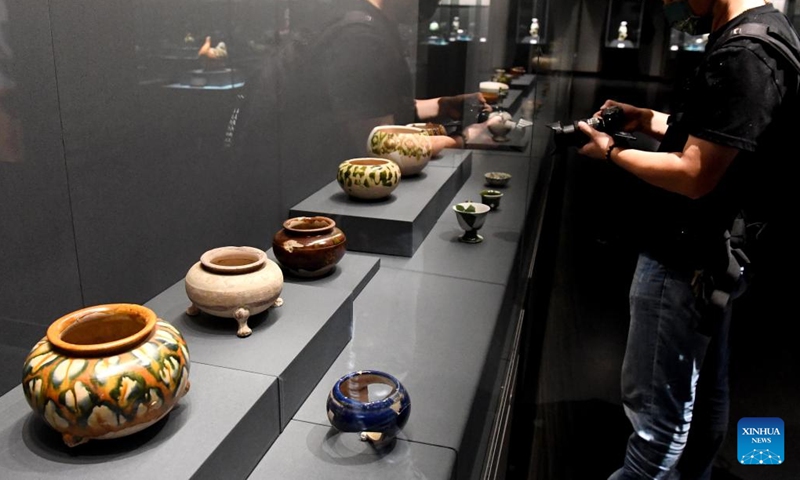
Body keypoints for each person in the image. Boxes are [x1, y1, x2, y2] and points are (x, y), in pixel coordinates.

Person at [576, 0, 799, 478]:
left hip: (684, 257)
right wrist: (644, 118)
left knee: (657, 428)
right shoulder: (765, 33)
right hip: (715, 253)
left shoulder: (745, 54)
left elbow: (695, 173)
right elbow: (717, 134)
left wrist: (612, 150)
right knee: (705, 397)